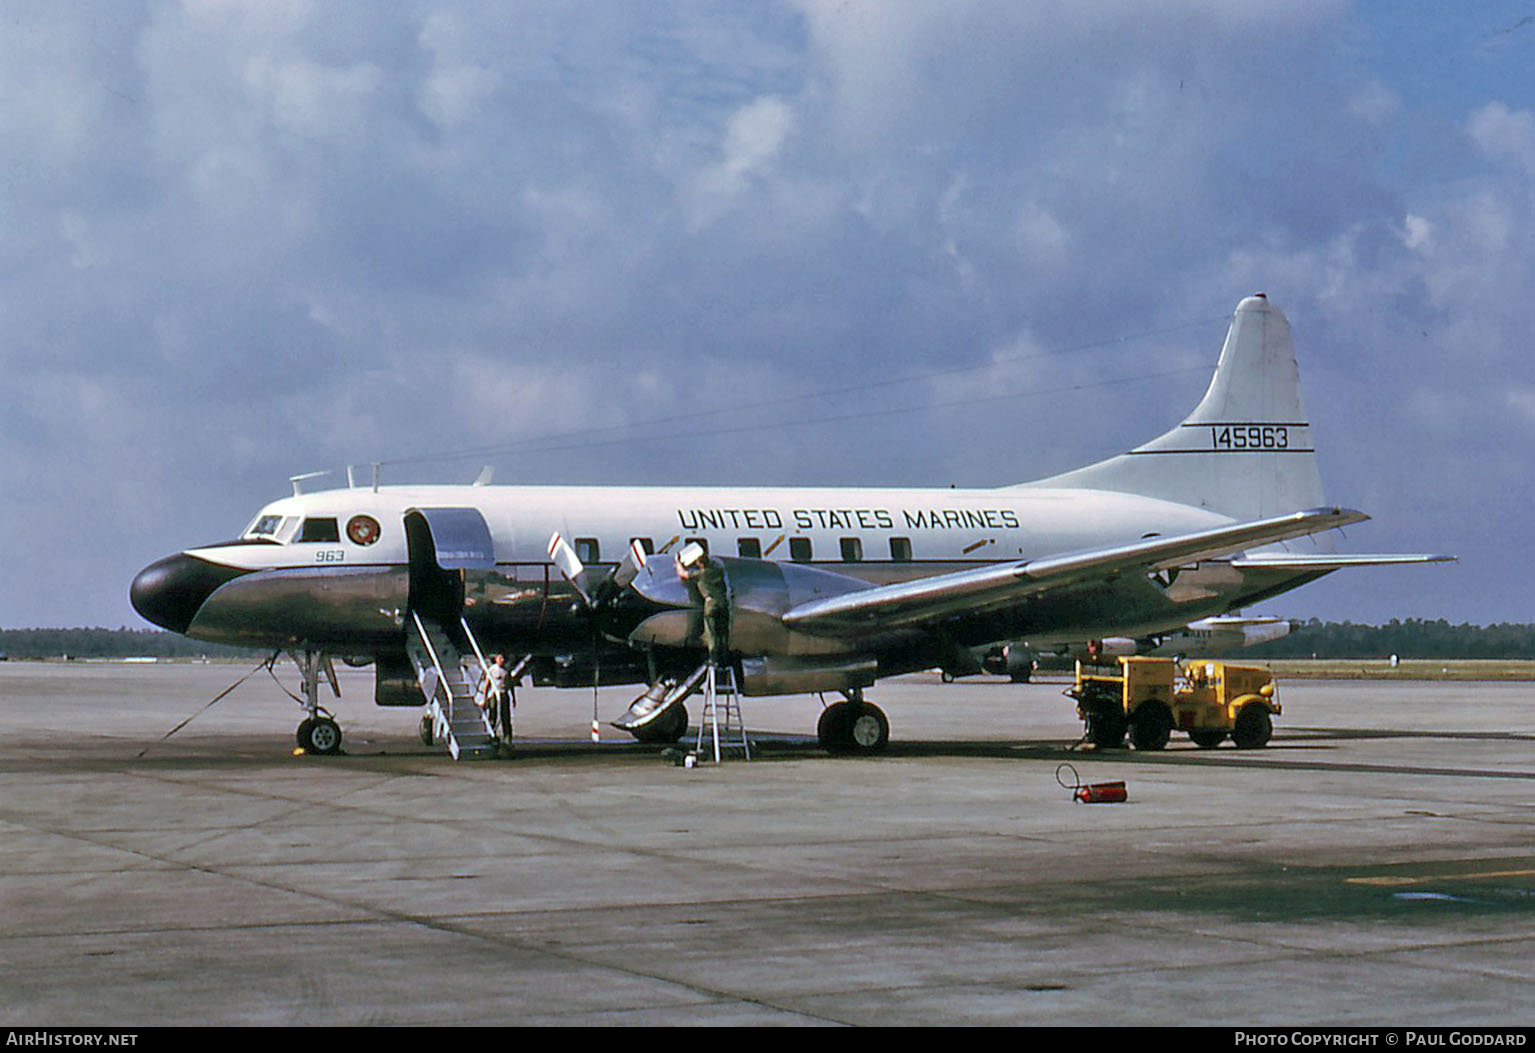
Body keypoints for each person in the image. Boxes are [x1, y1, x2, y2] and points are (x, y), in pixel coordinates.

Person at [483, 654, 512, 742]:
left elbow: (510, 684)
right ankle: (491, 735)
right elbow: (487, 685)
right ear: (496, 659)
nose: (502, 660)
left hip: (504, 694)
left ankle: (507, 737)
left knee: (506, 716)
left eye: (503, 658)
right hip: (494, 694)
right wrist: (484, 699)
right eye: (500, 658)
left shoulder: (507, 669)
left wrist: (513, 698)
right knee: (493, 715)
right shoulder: (492, 669)